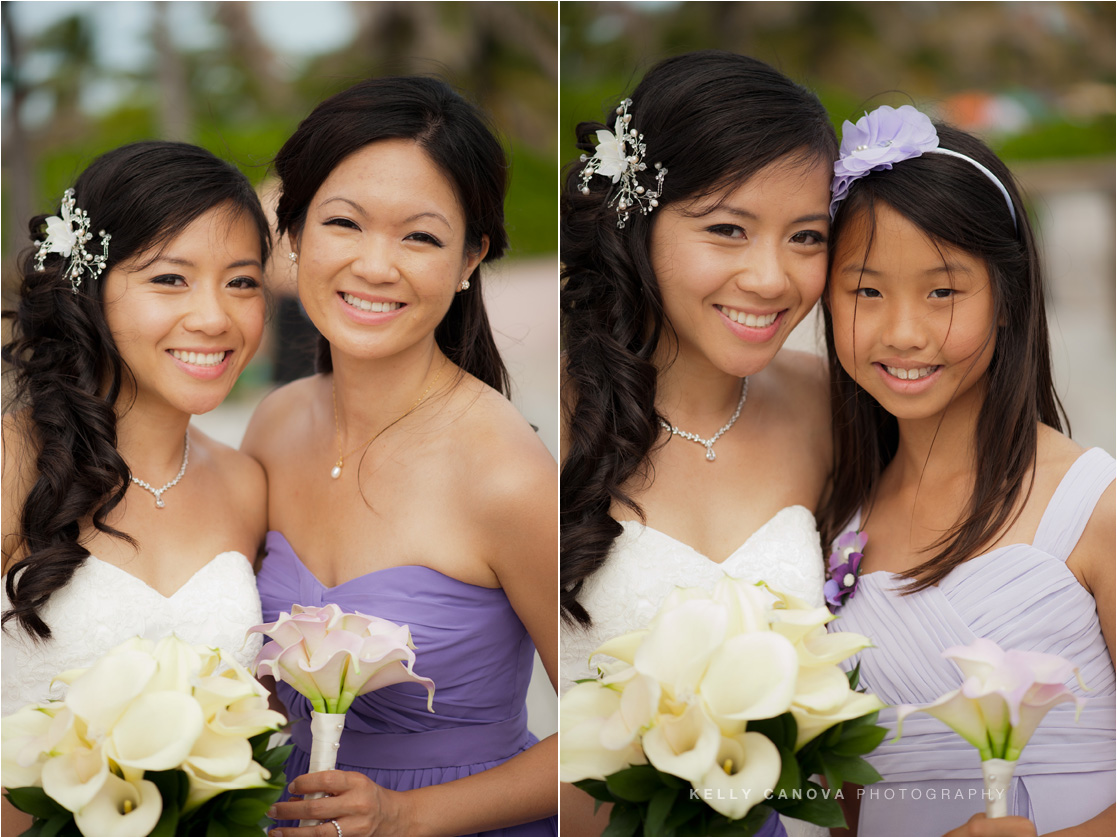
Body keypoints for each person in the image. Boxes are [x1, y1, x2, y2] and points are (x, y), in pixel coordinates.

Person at [244, 76, 557, 837]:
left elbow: (613, 724)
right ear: (294, 234)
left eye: (419, 236)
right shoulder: (272, 424)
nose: (375, 266)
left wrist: (405, 813)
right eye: (344, 223)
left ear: (469, 257)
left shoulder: (506, 473)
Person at [559, 51, 838, 837]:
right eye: (726, 229)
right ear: (636, 219)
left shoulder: (829, 407)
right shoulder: (539, 422)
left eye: (806, 236)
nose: (771, 278)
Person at [818, 105, 1115, 836]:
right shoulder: (835, 517)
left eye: (942, 291)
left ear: (1007, 296)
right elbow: (846, 804)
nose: (903, 332)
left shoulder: (1092, 504)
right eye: (865, 290)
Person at [1, 141, 271, 831]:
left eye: (242, 282)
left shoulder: (246, 483)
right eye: (171, 279)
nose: (215, 317)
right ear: (88, 284)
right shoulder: (12, 461)